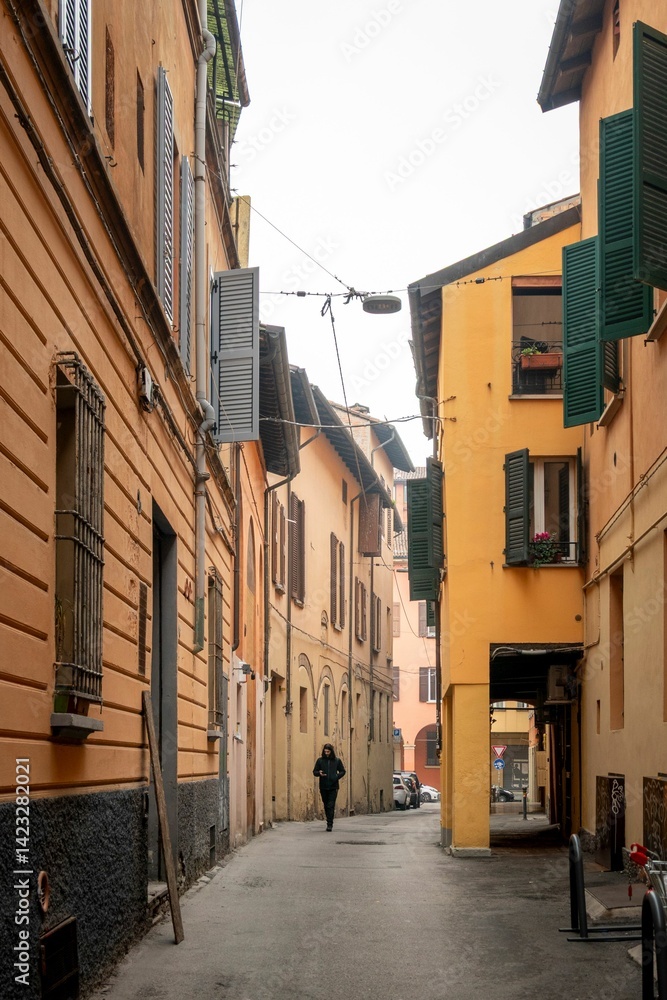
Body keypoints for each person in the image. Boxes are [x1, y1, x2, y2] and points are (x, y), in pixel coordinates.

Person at [312, 743, 346, 831]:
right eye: (325, 751)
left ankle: (330, 824)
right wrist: (319, 773)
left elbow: (343, 771)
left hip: (333, 787)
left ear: (331, 752)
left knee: (331, 805)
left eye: (328, 752)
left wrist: (336, 776)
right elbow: (314, 772)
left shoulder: (337, 761)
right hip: (323, 786)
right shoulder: (320, 761)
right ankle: (328, 820)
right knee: (326, 805)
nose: (326, 753)